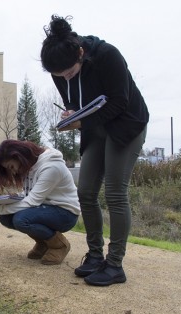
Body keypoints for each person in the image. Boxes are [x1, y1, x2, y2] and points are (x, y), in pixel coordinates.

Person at [40, 15, 149, 285]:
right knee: (86, 191)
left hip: (126, 124)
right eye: (58, 75)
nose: (63, 78)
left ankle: (115, 264)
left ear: (81, 53)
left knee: (114, 191)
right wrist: (71, 113)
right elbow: (74, 102)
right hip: (95, 127)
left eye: (68, 73)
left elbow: (119, 103)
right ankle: (95, 255)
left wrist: (81, 120)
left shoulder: (108, 56)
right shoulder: (61, 69)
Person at [0, 139, 80, 265]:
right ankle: (43, 243)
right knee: (5, 218)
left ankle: (59, 245)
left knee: (21, 219)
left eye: (11, 166)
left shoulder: (51, 167)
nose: (13, 172)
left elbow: (32, 201)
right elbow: (30, 195)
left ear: (18, 157)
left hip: (65, 214)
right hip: (44, 208)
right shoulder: (30, 167)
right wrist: (5, 201)